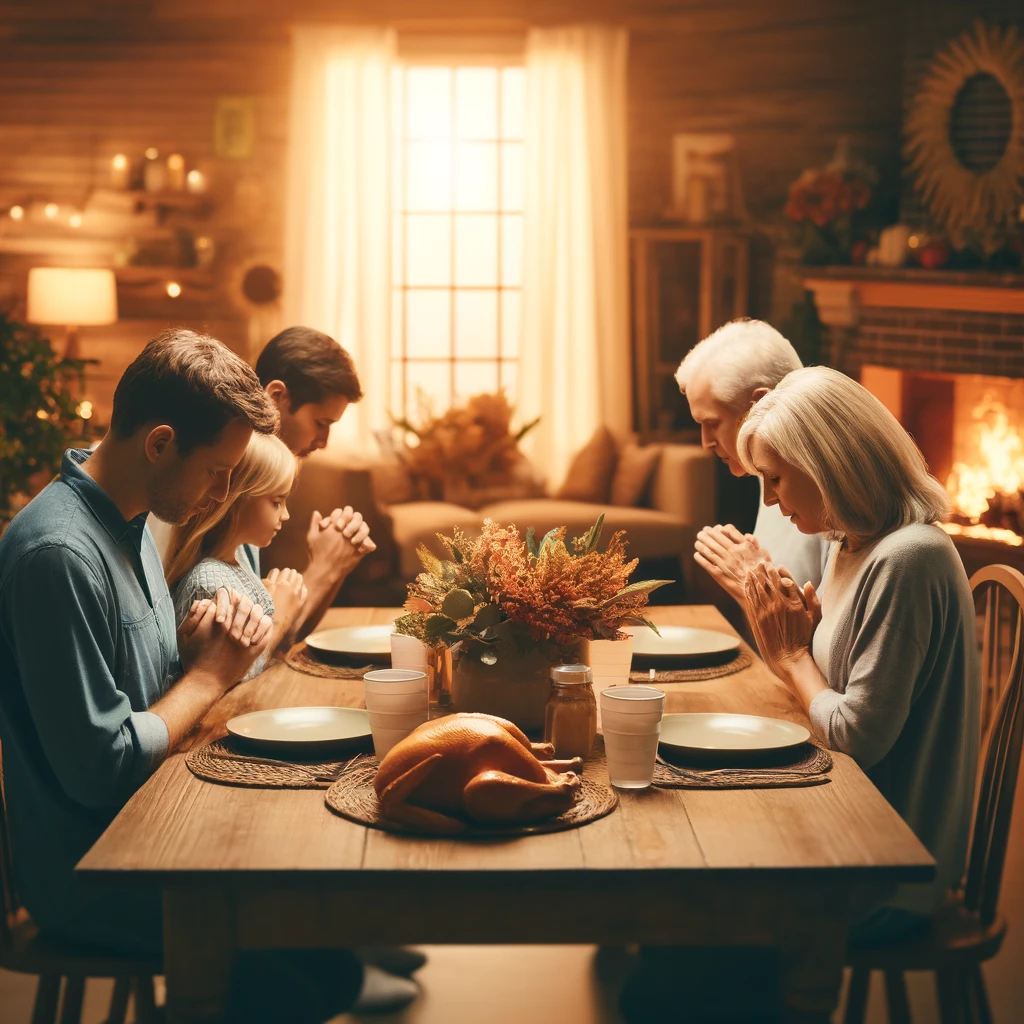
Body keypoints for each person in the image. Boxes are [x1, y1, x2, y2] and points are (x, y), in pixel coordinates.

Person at [0, 329, 414, 1021]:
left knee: (332, 963)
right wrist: (208, 676)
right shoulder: (59, 554)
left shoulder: (130, 521)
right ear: (160, 443)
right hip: (96, 873)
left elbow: (146, 694)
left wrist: (191, 660)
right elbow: (101, 767)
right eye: (220, 471)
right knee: (300, 983)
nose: (223, 493)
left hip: (153, 831)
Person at [736, 366, 980, 941]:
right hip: (849, 821)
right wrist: (801, 637)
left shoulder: (908, 558)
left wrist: (795, 657)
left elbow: (855, 736)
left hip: (891, 867)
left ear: (827, 465)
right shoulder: (849, 542)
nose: (770, 502)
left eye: (774, 479)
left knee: (705, 914)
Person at [675, 319, 830, 611]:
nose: (705, 443)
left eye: (712, 423)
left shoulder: (826, 488)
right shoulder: (766, 476)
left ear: (761, 404)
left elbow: (829, 644)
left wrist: (752, 581)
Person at [251, 325, 377, 641]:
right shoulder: (233, 485)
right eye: (321, 423)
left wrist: (337, 563)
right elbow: (250, 654)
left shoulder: (262, 476)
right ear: (276, 396)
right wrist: (324, 569)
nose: (323, 442)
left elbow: (284, 637)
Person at [166, 432, 307, 673]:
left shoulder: (239, 558)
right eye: (277, 502)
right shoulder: (208, 583)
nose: (285, 515)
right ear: (238, 499)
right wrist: (280, 614)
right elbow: (229, 677)